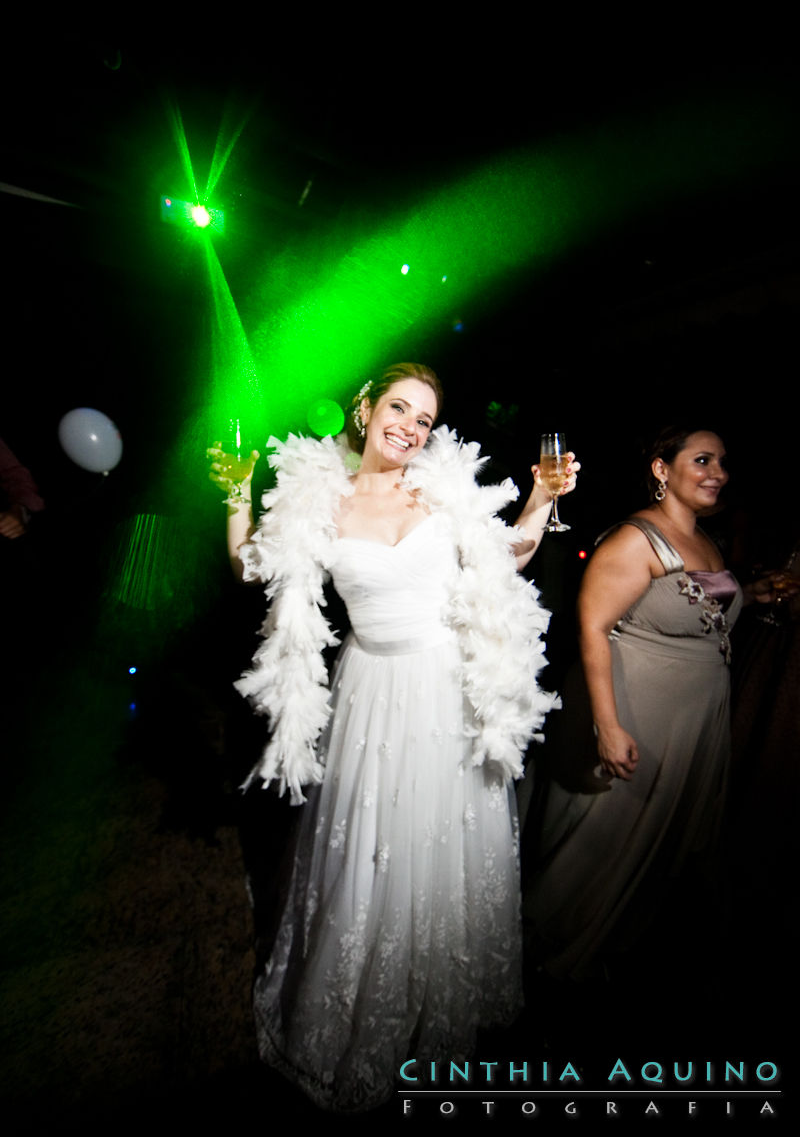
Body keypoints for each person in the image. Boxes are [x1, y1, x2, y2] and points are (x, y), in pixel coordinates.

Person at [209, 363, 578, 1111]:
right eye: (399, 409)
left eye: (425, 419)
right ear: (365, 408)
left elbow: (503, 558)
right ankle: (351, 1012)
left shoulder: (442, 488)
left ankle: (434, 1010)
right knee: (373, 848)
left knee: (443, 844)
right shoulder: (321, 498)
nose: (410, 428)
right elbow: (254, 567)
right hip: (373, 693)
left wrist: (541, 497)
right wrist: (238, 496)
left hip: (449, 692)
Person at [524, 425, 776, 988]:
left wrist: (754, 596)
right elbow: (591, 627)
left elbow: (703, 606)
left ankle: (610, 948)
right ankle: (545, 963)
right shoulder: (636, 539)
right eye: (703, 460)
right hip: (634, 711)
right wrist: (607, 727)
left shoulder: (707, 542)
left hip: (691, 719)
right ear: (663, 470)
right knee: (598, 845)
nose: (718, 473)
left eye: (723, 462)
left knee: (658, 844)